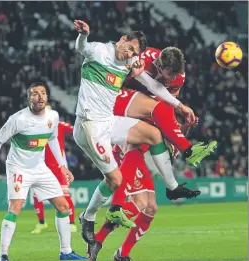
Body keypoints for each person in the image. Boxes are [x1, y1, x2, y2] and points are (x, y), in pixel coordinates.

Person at [73, 20, 198, 244]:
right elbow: (82, 48)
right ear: (122, 39)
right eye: (129, 47)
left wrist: (179, 106)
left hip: (108, 121)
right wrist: (84, 35)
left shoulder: (130, 62)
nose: (129, 52)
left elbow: (154, 87)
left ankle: (173, 187)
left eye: (135, 51)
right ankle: (88, 216)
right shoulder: (99, 50)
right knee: (114, 180)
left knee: (153, 135)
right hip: (88, 125)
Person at [0, 82, 87, 261]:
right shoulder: (18, 119)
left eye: (43, 93)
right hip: (18, 168)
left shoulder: (53, 116)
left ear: (47, 97)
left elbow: (53, 139)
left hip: (39, 167)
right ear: (28, 98)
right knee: (15, 207)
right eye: (35, 94)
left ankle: (66, 252)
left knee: (63, 206)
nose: (40, 97)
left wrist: (62, 166)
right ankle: (3, 254)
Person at [31, 106, 77, 234]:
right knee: (36, 195)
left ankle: (72, 223)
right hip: (41, 166)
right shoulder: (36, 127)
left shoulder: (59, 125)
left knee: (65, 195)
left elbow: (74, 130)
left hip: (58, 167)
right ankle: (41, 223)